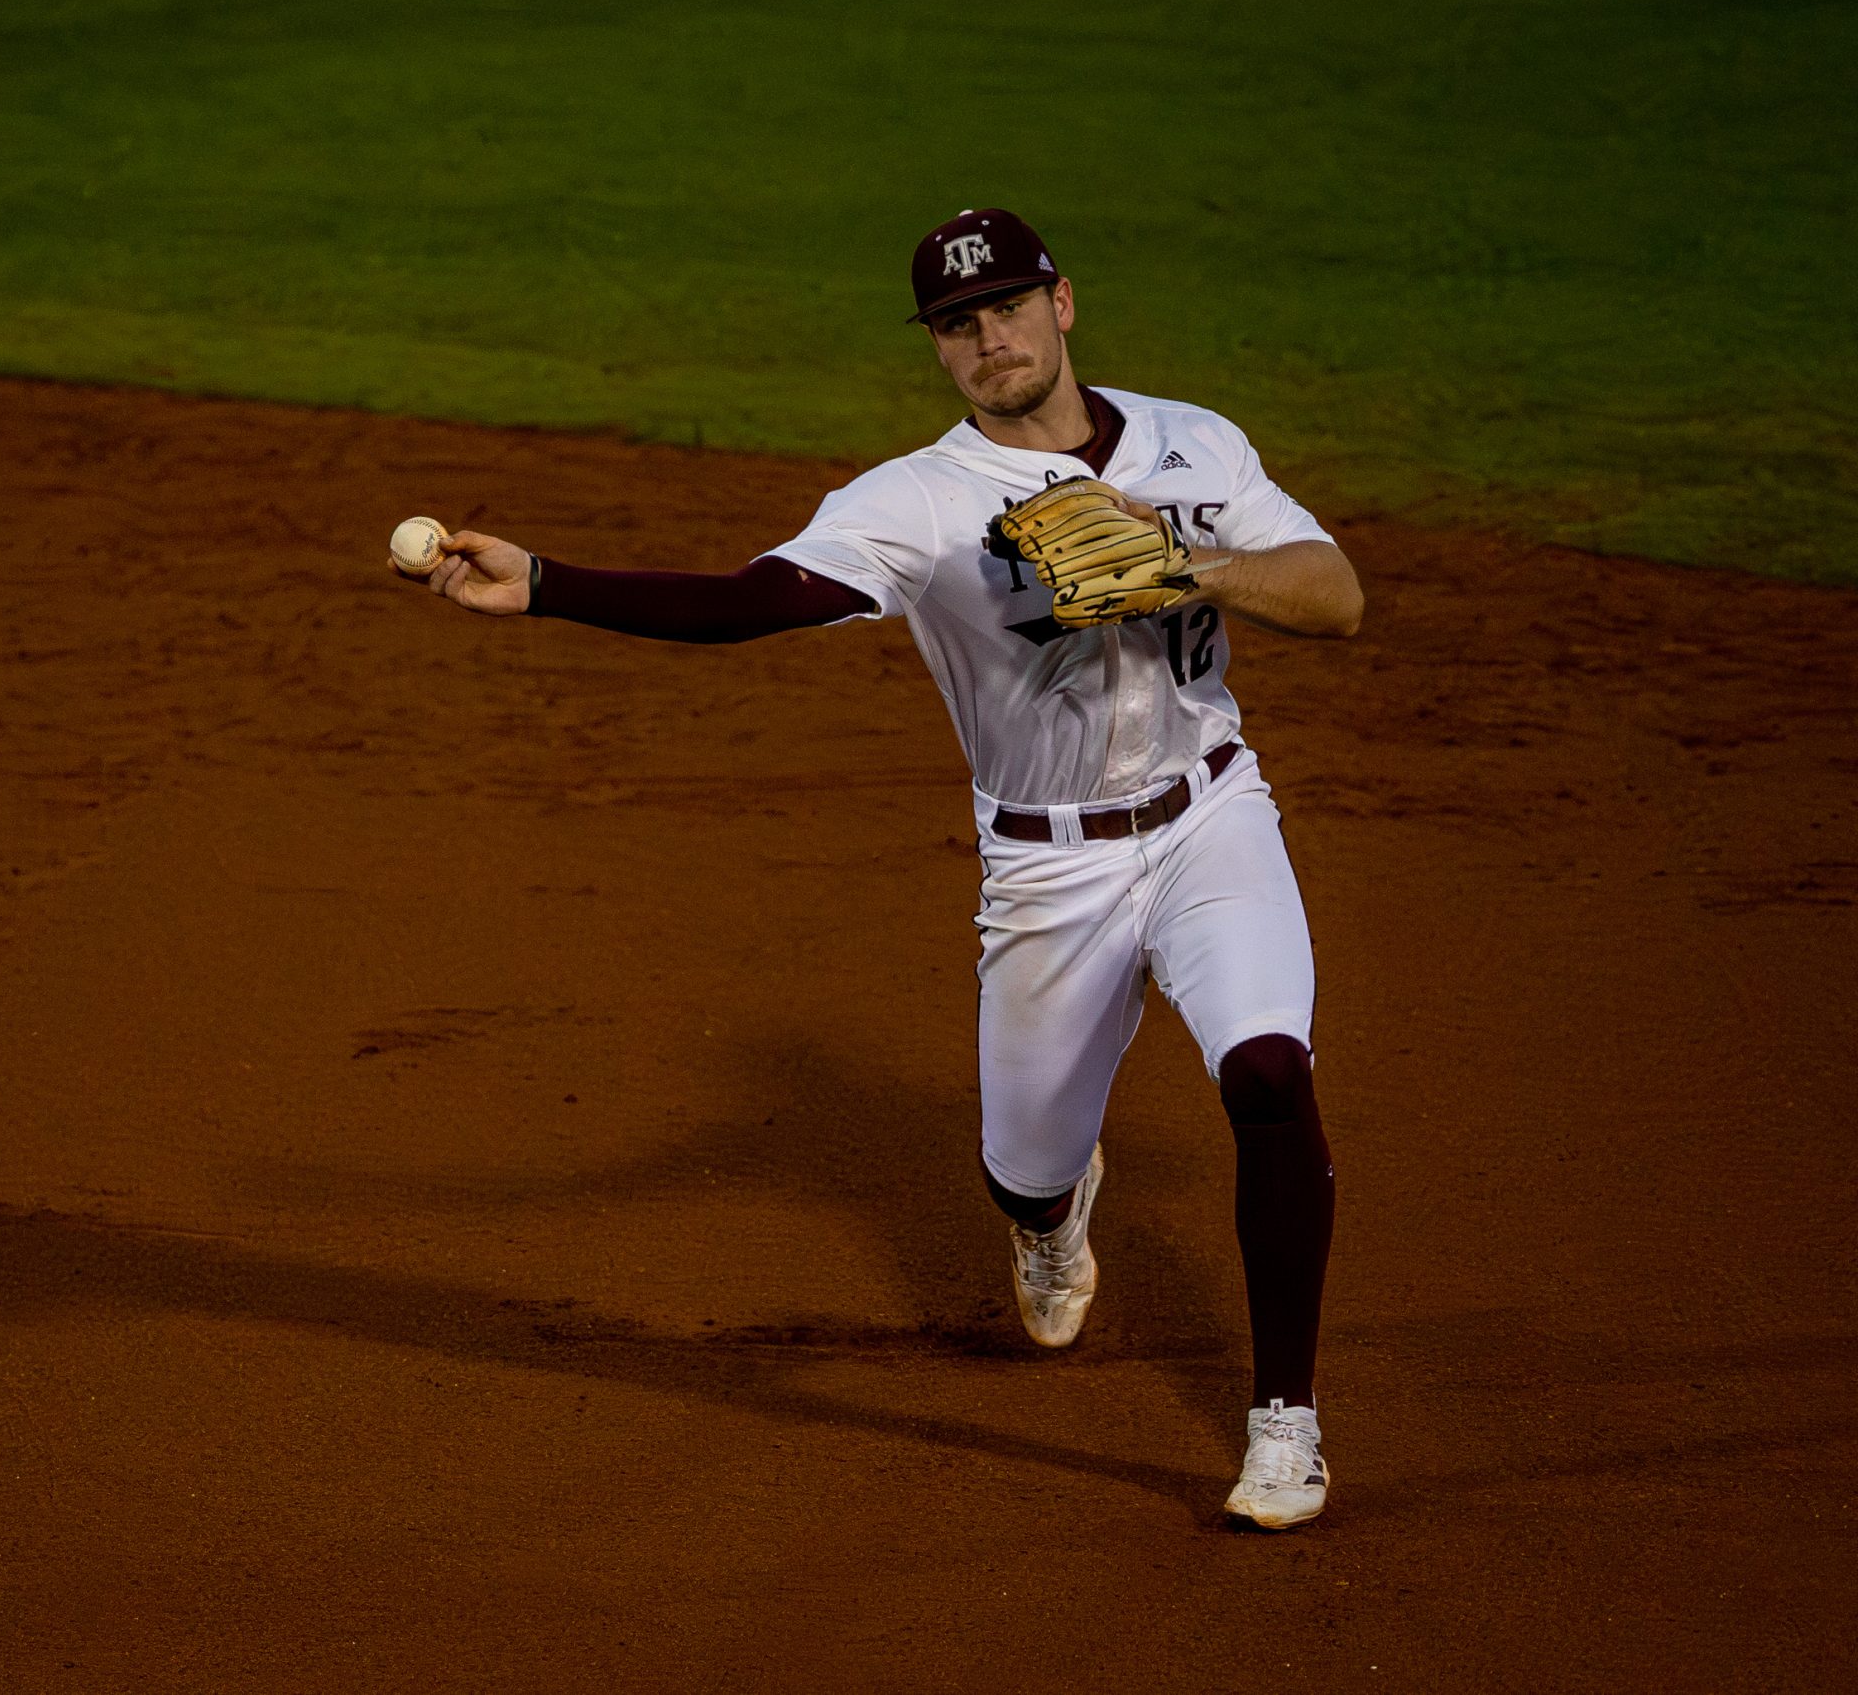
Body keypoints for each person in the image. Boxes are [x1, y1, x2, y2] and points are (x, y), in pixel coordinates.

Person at [392, 208, 1362, 1530]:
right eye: (959, 325)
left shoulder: (1199, 441)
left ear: (1063, 304)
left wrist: (1184, 564)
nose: (988, 337)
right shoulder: (914, 501)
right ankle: (1049, 1215)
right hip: (1046, 874)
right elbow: (755, 603)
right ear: (940, 349)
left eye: (1009, 306)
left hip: (1213, 823)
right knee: (1022, 1166)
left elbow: (1337, 596)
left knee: (1266, 1070)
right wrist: (551, 582)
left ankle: (1283, 1424)